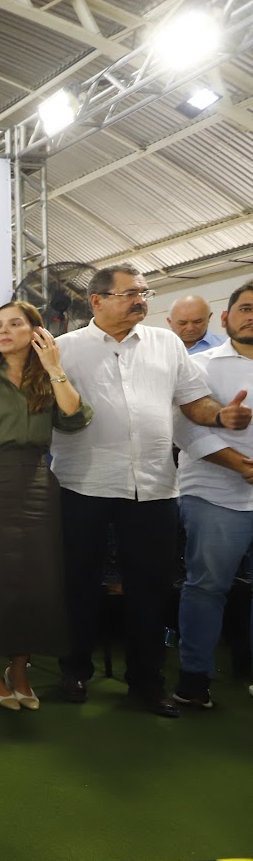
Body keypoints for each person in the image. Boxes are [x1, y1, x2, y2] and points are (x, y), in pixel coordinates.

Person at [50, 263, 248, 717]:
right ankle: (74, 670)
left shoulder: (166, 343)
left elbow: (193, 401)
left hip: (155, 486)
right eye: (130, 294)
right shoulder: (65, 349)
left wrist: (220, 416)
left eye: (144, 292)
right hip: (84, 484)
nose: (141, 300)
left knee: (150, 588)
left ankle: (146, 682)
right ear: (97, 301)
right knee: (79, 584)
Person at [0, 300, 92, 710]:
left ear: (36, 331)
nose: (4, 331)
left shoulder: (48, 377)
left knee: (38, 580)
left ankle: (19, 669)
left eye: (15, 324)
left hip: (38, 483)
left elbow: (75, 416)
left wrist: (54, 365)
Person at [170, 282, 253, 707]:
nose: (251, 316)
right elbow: (184, 429)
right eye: (245, 308)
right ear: (226, 317)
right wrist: (242, 466)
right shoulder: (199, 366)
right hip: (214, 494)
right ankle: (195, 677)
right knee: (207, 586)